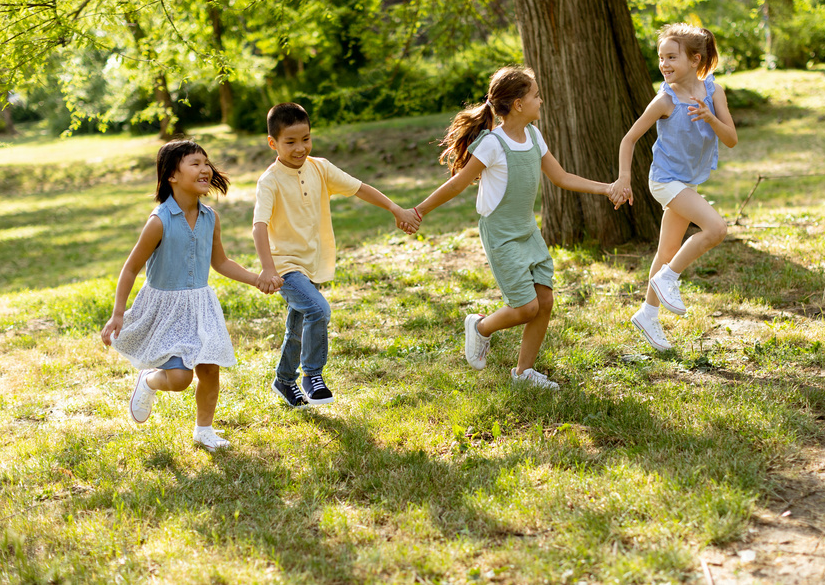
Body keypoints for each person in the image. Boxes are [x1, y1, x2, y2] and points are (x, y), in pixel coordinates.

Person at [409, 66, 618, 390]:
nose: (541, 100)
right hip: (501, 234)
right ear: (518, 104)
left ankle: (523, 372)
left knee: (544, 302)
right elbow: (456, 185)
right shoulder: (492, 144)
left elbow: (561, 178)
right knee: (525, 307)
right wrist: (418, 211)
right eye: (536, 95)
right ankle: (480, 327)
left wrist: (606, 188)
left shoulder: (534, 136)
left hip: (527, 230)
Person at [101, 139, 279, 451]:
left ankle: (204, 430)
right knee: (180, 378)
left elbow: (220, 262)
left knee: (209, 369)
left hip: (201, 305)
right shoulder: (159, 221)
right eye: (194, 163)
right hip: (165, 308)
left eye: (206, 163)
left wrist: (256, 279)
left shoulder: (211, 217)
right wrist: (118, 313)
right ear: (172, 175)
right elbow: (130, 268)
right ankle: (149, 381)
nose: (205, 169)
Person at [254, 103, 420, 408]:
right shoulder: (270, 181)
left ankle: (284, 379)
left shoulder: (320, 168)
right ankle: (312, 376)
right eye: (290, 142)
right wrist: (267, 268)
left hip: (313, 263)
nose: (300, 147)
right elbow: (259, 226)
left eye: (305, 139)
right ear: (272, 143)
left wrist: (395, 209)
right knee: (318, 311)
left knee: (299, 324)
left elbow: (359, 188)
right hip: (285, 266)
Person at [611, 23, 738, 351]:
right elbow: (629, 139)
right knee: (716, 228)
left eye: (671, 57)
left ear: (695, 59)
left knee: (666, 250)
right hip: (665, 181)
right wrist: (624, 178)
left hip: (688, 183)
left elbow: (732, 139)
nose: (664, 64)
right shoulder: (664, 100)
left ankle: (648, 313)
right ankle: (668, 278)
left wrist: (710, 118)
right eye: (660, 58)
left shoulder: (714, 91)